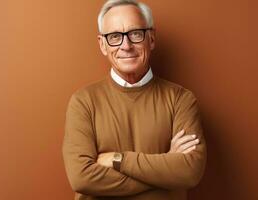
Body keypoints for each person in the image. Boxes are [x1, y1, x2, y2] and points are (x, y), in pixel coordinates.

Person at [62, 0, 207, 199]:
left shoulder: (181, 100)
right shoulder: (83, 102)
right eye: (114, 36)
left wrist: (118, 159)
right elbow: (81, 178)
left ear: (152, 38)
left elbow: (189, 172)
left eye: (135, 34)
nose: (126, 45)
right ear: (103, 45)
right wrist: (165, 171)